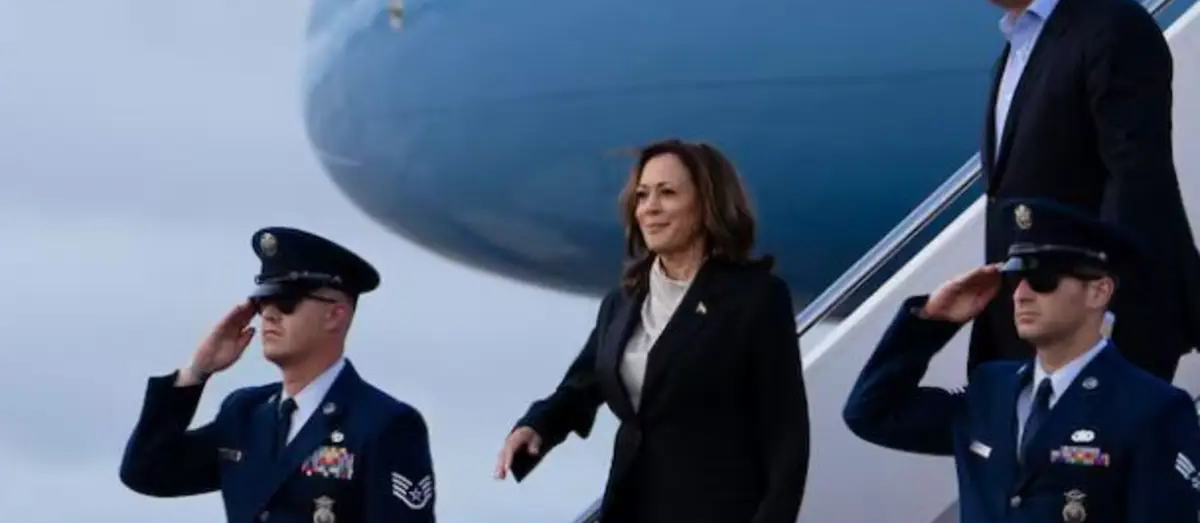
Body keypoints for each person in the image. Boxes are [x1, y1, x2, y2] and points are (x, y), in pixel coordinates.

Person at [493, 138, 810, 523]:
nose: (650, 208)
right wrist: (538, 425)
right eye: (642, 195)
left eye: (667, 193)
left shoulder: (756, 299)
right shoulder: (622, 302)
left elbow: (786, 437)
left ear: (707, 204)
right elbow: (583, 385)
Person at [969, 0, 1200, 381]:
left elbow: (1135, 179)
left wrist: (1102, 314)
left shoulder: (1113, 28)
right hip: (1033, 329)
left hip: (1095, 329)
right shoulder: (1016, 50)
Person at [843, 198, 1200, 523]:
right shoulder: (990, 388)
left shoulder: (1152, 409)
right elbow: (871, 414)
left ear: (1098, 291)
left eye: (1042, 280)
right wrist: (931, 320)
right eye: (1016, 279)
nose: (1021, 295)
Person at [119, 227, 437, 523]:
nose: (269, 314)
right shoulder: (245, 413)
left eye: (286, 301)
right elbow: (147, 471)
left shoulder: (383, 423)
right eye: (263, 302)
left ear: (334, 315)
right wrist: (197, 372)